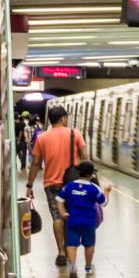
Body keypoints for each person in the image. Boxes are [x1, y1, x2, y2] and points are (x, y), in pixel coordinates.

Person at [26, 105, 90, 268]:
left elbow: (35, 163)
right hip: (73, 183)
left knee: (57, 216)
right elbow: (84, 157)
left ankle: (61, 252)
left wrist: (29, 185)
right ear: (63, 118)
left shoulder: (42, 138)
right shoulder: (74, 133)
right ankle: (71, 251)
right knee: (71, 215)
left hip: (52, 184)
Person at [56, 160, 108, 278]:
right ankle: (88, 267)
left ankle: (73, 266)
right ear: (91, 174)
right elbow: (104, 203)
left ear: (78, 173)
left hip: (72, 220)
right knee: (89, 244)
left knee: (71, 245)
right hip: (89, 221)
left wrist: (63, 212)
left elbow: (59, 200)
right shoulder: (94, 188)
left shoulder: (69, 186)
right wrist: (107, 192)